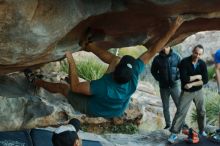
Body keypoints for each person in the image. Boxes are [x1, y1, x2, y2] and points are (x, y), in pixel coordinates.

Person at [25, 16, 184, 119]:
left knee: (63, 87)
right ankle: (87, 44)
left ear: (113, 75)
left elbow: (75, 86)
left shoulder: (105, 86)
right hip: (116, 104)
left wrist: (71, 60)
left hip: (96, 108)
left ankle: (35, 82)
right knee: (115, 59)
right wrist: (173, 28)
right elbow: (153, 50)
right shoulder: (133, 72)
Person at [168, 44, 208, 143]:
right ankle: (174, 133)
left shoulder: (202, 63)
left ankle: (202, 131)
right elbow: (184, 78)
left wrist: (192, 83)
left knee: (202, 111)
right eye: (196, 53)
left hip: (198, 91)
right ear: (192, 51)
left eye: (199, 54)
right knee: (181, 112)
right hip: (187, 92)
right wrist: (198, 76)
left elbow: (206, 80)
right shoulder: (184, 62)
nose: (197, 56)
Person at [151, 46, 181, 129]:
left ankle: (182, 123)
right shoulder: (157, 59)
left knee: (179, 105)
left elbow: (182, 68)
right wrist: (159, 79)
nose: (164, 49)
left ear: (170, 46)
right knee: (165, 106)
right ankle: (168, 124)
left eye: (167, 47)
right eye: (163, 47)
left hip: (174, 85)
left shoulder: (176, 56)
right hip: (163, 87)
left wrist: (177, 77)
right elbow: (153, 71)